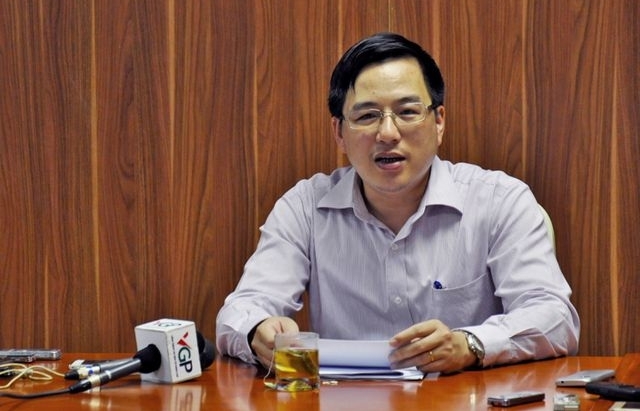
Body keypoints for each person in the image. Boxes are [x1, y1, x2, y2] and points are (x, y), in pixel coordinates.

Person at [216, 32, 580, 374]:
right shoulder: (304, 208)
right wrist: (258, 331)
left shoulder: (501, 200)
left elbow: (555, 316)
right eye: (367, 116)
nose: (387, 133)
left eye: (407, 112)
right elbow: (241, 310)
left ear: (439, 121)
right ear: (339, 132)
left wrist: (470, 344)